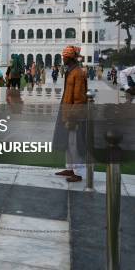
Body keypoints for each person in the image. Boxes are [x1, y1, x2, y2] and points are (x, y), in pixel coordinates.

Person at [54, 46, 88, 183]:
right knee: (68, 142)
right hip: (67, 110)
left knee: (74, 143)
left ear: (70, 58)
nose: (63, 58)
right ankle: (70, 168)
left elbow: (80, 98)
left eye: (65, 57)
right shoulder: (71, 71)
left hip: (74, 114)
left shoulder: (78, 73)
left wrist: (73, 116)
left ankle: (79, 173)